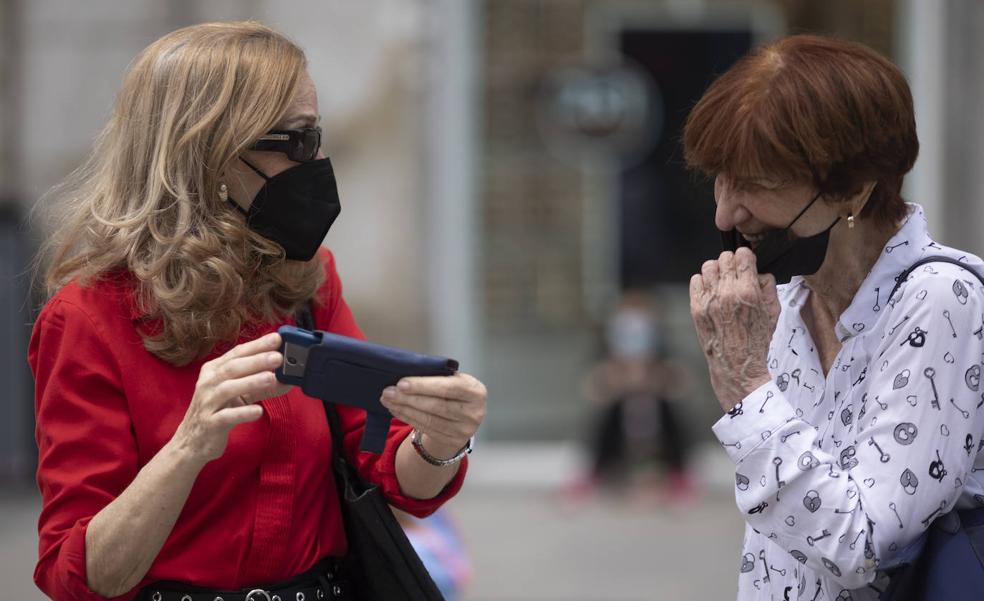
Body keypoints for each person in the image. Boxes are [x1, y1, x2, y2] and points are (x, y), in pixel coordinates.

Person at [28, 21, 487, 601]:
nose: (315, 162)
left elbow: (394, 473)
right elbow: (80, 576)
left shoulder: (305, 279)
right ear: (208, 155)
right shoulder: (90, 317)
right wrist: (189, 446)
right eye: (293, 143)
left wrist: (440, 438)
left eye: (316, 137)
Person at [685, 35, 984, 600]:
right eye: (720, 181)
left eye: (755, 184)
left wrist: (747, 385)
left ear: (853, 190)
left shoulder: (941, 300)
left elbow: (861, 547)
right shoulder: (789, 305)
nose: (726, 212)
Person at [570, 290, 695, 503]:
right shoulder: (607, 352)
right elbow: (592, 389)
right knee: (608, 416)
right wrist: (615, 380)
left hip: (655, 406)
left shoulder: (662, 351)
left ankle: (677, 472)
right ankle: (596, 471)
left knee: (668, 414)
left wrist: (655, 378)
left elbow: (682, 383)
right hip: (620, 410)